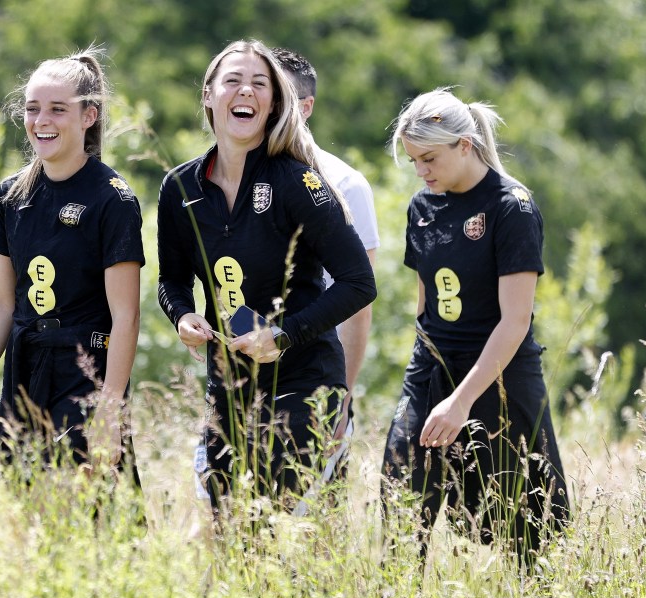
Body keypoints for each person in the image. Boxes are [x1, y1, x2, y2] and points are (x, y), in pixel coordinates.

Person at [156, 40, 377, 514]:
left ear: (275, 103)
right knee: (227, 532)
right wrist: (182, 315)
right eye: (233, 80)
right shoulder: (179, 187)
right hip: (228, 385)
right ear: (209, 95)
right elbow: (170, 281)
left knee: (282, 530)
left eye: (260, 84)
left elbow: (360, 282)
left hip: (304, 380)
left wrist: (283, 336)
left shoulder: (298, 181)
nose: (246, 91)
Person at [380, 87, 569, 567]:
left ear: (465, 145)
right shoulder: (421, 208)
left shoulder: (512, 207)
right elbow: (424, 307)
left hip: (500, 378)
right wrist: (428, 384)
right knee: (401, 509)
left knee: (526, 536)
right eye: (414, 161)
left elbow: (515, 320)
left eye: (429, 158)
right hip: (432, 373)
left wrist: (461, 401)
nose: (421, 171)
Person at [0, 47, 145, 485]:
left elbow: (126, 316)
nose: (42, 120)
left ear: (88, 117)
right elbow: (1, 305)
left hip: (85, 373)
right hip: (24, 370)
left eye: (58, 109)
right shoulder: (11, 196)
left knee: (90, 517)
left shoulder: (112, 199)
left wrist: (110, 412)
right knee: (4, 512)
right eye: (33, 108)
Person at [272, 46, 380, 473]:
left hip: (317, 378)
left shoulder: (344, 183)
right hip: (246, 382)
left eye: (282, 96)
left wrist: (343, 400)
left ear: (307, 106)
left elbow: (358, 302)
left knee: (316, 527)